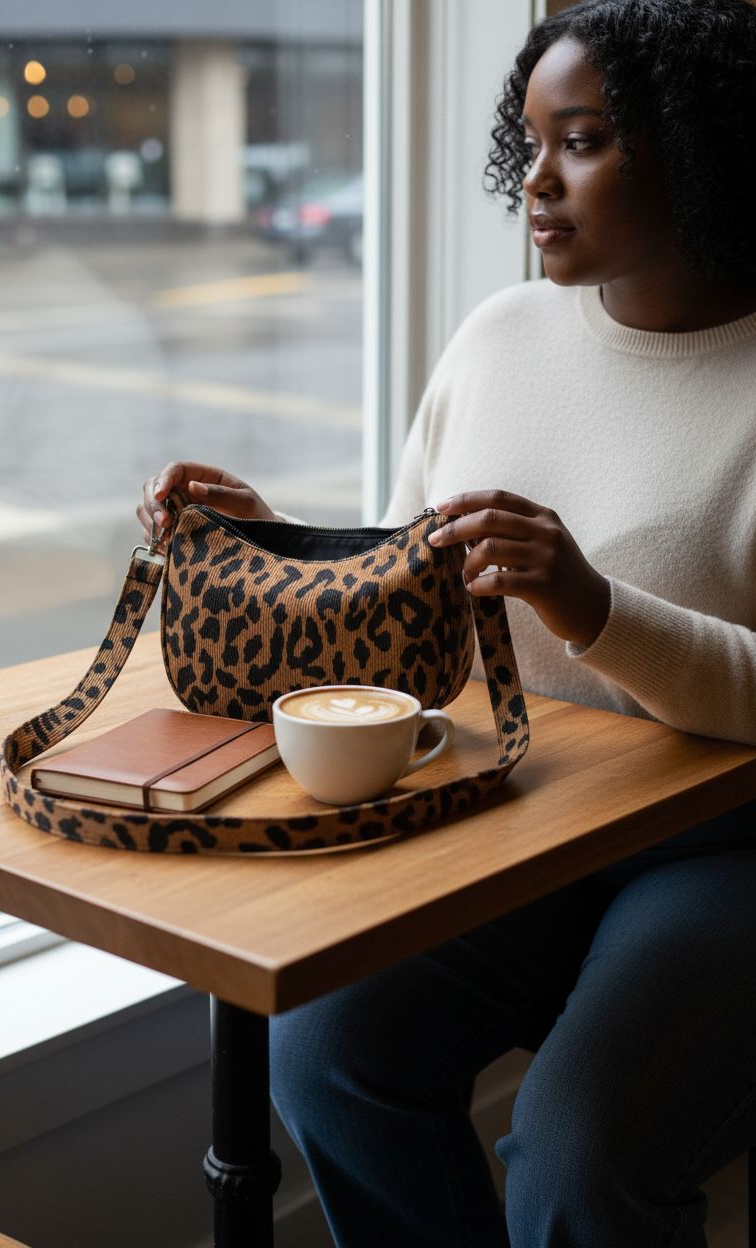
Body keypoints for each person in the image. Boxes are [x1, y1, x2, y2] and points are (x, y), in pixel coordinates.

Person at [138, 1, 756, 1242]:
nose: (533, 180)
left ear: (695, 145)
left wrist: (590, 605)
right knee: (320, 1052)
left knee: (578, 1148)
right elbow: (405, 581)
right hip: (525, 818)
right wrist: (272, 546)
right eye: (525, 141)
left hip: (724, 849)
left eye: (580, 141)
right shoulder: (499, 336)